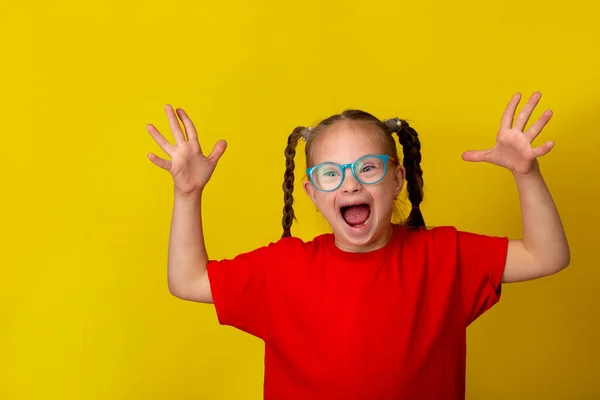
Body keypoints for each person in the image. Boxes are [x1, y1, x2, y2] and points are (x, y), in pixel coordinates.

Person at [146, 92, 570, 400]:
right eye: (331, 174)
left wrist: (526, 175)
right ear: (312, 193)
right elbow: (187, 280)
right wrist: (187, 195)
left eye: (368, 168)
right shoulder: (283, 268)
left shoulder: (444, 255)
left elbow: (546, 255)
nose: (350, 182)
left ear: (397, 180)